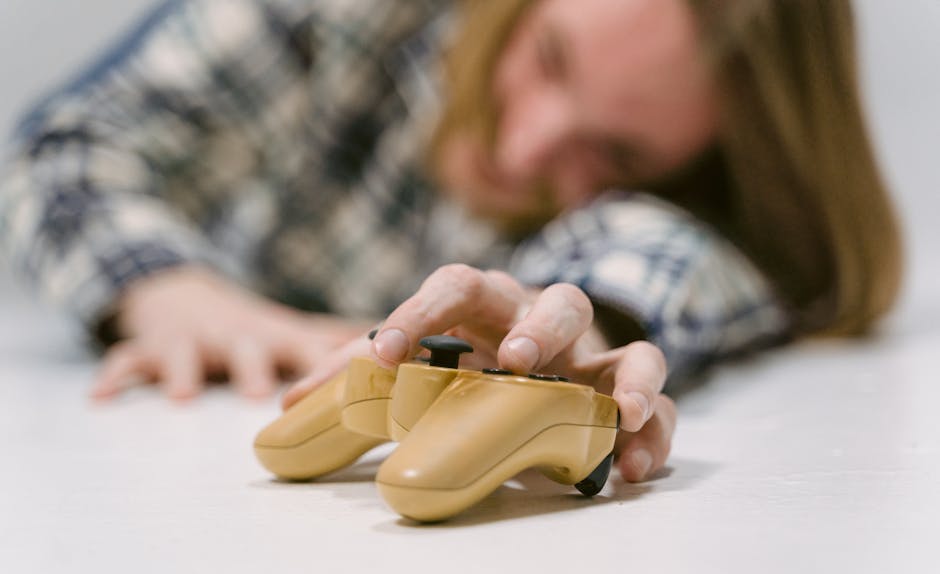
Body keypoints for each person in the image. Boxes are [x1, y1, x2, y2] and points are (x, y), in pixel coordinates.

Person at [0, 0, 901, 483]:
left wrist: (579, 334)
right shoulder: (345, 14)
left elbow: (679, 251)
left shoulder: (666, 218)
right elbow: (59, 148)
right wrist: (166, 289)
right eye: (548, 56)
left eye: (615, 152)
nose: (525, 150)